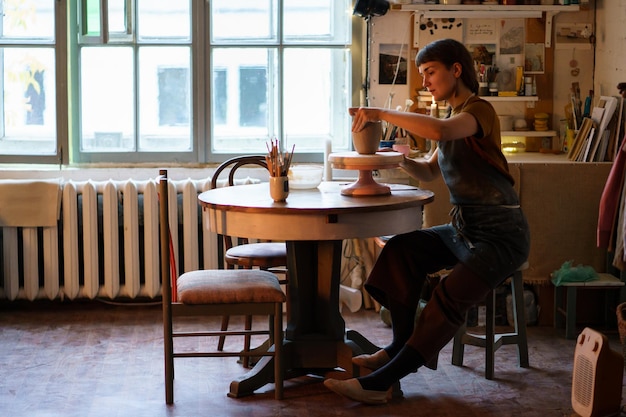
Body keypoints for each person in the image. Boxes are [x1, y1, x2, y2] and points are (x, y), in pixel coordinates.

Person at [323, 38, 530, 404]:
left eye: (430, 72)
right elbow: (430, 171)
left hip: (501, 237)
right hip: (465, 229)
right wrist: (397, 157)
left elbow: (441, 133)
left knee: (447, 298)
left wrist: (380, 114)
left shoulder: (479, 112)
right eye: (422, 75)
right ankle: (398, 346)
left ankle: (381, 381)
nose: (426, 82)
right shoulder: (452, 119)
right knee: (403, 249)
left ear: (456, 69)